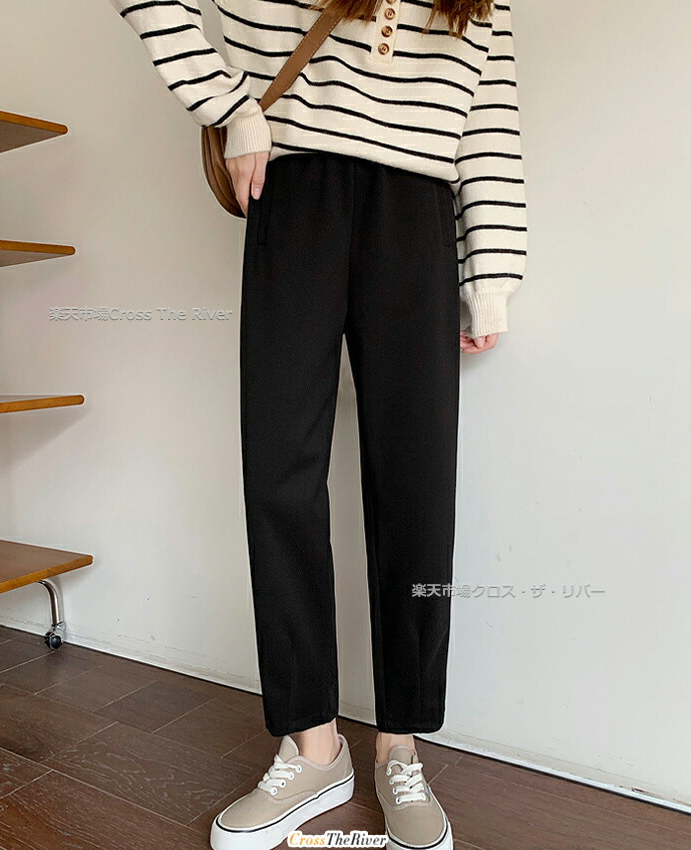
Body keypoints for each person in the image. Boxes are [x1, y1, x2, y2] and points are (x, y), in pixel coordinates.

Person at [107, 0, 527, 848]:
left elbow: (489, 126)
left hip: (419, 210)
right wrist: (231, 107)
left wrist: (492, 275)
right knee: (279, 473)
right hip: (294, 191)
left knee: (416, 488)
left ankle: (399, 745)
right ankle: (313, 745)